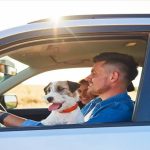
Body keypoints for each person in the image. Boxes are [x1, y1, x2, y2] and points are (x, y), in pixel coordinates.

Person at [0, 52, 138, 126]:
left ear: (113, 77)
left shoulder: (118, 110)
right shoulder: (95, 103)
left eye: (94, 73)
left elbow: (73, 135)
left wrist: (3, 116)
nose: (88, 78)